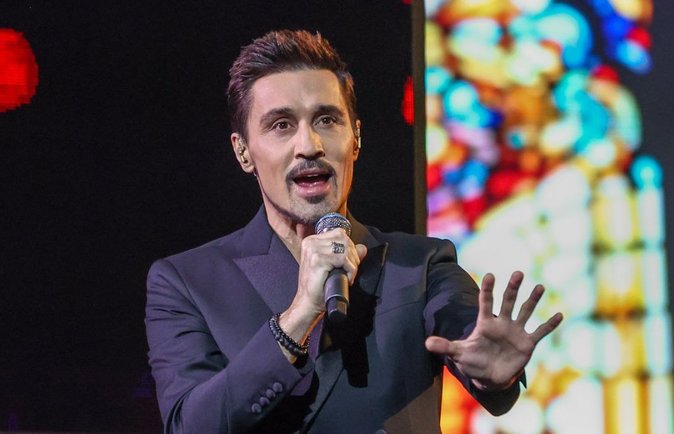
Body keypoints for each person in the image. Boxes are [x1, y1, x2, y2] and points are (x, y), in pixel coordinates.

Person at [145, 29, 562, 434]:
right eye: (281, 125)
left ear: (356, 137)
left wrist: (493, 371)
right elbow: (189, 425)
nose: (309, 145)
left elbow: (467, 334)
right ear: (243, 152)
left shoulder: (422, 265)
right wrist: (296, 319)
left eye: (326, 120)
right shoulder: (187, 282)